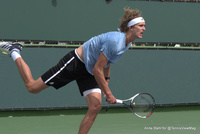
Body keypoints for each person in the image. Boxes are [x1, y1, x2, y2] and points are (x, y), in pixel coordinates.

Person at [0, 8, 146, 134]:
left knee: (95, 107)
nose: (144, 28)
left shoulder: (126, 44)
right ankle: (14, 51)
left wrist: (106, 82)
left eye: (144, 26)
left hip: (89, 71)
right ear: (131, 27)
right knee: (32, 87)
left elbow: (107, 63)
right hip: (76, 63)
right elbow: (98, 69)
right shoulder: (115, 41)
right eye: (141, 25)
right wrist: (108, 93)